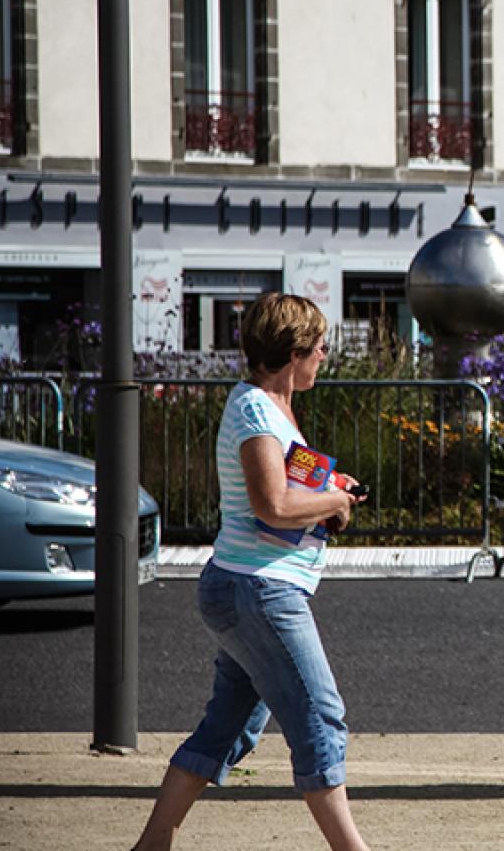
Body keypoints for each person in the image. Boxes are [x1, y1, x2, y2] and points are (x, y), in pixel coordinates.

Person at [132, 293, 369, 851]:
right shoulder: (258, 409)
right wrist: (333, 505)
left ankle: (153, 843)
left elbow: (287, 492)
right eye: (320, 348)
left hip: (251, 585)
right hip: (259, 588)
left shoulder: (271, 409)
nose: (325, 357)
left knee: (228, 727)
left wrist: (331, 489)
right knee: (319, 714)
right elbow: (273, 507)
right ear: (293, 352)